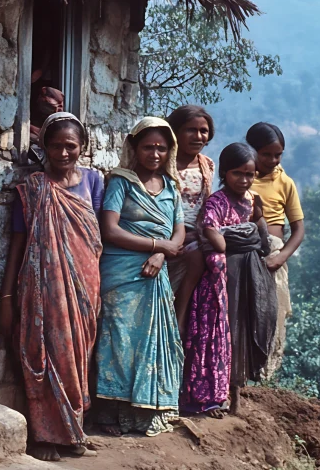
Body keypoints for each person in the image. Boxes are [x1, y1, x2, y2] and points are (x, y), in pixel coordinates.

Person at [0, 112, 104, 462]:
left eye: (70, 146)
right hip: (42, 284)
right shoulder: (33, 188)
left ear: (82, 147)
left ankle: (73, 429)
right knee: (43, 350)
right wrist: (8, 295)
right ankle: (45, 434)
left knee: (77, 355)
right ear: (43, 146)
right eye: (55, 145)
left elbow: (97, 235)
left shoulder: (94, 182)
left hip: (85, 284)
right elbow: (18, 241)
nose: (63, 153)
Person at [94, 117, 186, 436]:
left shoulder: (171, 187)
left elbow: (179, 231)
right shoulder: (121, 182)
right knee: (118, 339)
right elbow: (109, 229)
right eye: (148, 147)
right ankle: (108, 413)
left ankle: (146, 410)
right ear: (135, 148)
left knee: (153, 341)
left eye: (162, 148)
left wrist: (160, 253)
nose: (155, 154)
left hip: (155, 273)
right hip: (120, 272)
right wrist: (155, 244)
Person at [183, 142, 276, 416]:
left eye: (250, 174)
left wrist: (251, 223)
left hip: (245, 278)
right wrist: (238, 235)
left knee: (239, 334)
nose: (244, 180)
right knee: (215, 336)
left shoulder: (251, 202)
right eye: (238, 173)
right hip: (219, 283)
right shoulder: (217, 202)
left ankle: (232, 394)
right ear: (225, 172)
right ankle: (207, 398)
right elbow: (215, 239)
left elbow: (261, 235)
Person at [245, 122, 305, 378]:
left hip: (273, 256)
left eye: (277, 154)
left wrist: (280, 257)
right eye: (266, 154)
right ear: (253, 151)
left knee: (271, 313)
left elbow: (298, 229)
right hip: (243, 252)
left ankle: (263, 371)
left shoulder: (285, 182)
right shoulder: (242, 175)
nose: (271, 159)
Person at [166, 105, 216, 335]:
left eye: (203, 131)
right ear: (175, 131)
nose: (198, 136)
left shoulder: (207, 165)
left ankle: (182, 313)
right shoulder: (163, 161)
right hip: (166, 230)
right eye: (190, 130)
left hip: (196, 234)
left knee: (199, 256)